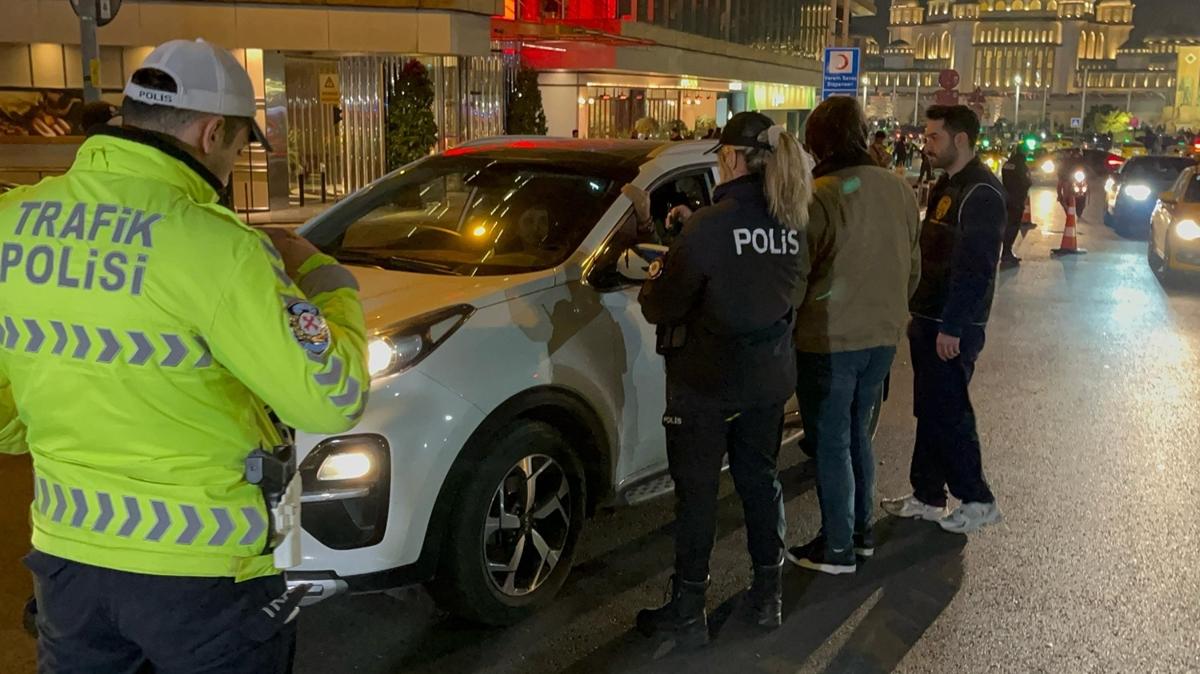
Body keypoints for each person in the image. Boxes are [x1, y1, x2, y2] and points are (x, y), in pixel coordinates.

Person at [0, 39, 369, 672]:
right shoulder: (216, 247)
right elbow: (331, 397)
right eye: (237, 145)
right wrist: (328, 284)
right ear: (211, 132)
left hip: (68, 563)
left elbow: (7, 427)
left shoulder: (13, 221)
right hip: (204, 579)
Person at [634, 112, 812, 647]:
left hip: (705, 381)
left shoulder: (710, 226)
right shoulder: (792, 219)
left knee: (698, 494)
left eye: (718, 154)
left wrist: (662, 259)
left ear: (733, 157)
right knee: (760, 481)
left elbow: (660, 304)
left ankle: (689, 610)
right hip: (767, 376)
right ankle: (768, 595)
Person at [785, 97, 921, 575]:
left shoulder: (820, 194)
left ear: (816, 143)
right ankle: (861, 535)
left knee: (830, 441)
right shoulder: (899, 190)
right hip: (882, 338)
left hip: (828, 339)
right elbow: (914, 270)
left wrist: (787, 319)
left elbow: (798, 273)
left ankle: (837, 546)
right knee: (859, 434)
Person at [882, 105, 1004, 534]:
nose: (926, 144)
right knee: (931, 410)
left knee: (951, 412)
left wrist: (953, 325)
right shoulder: (948, 186)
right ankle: (928, 494)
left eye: (934, 137)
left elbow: (976, 266)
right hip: (929, 315)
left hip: (952, 325)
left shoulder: (982, 193)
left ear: (961, 140)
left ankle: (977, 498)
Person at [1000, 144, 1032, 266]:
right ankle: (1007, 253)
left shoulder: (1007, 164)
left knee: (1007, 224)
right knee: (1013, 226)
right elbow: (1027, 182)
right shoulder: (1022, 166)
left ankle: (1005, 252)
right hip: (1017, 200)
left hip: (1007, 198)